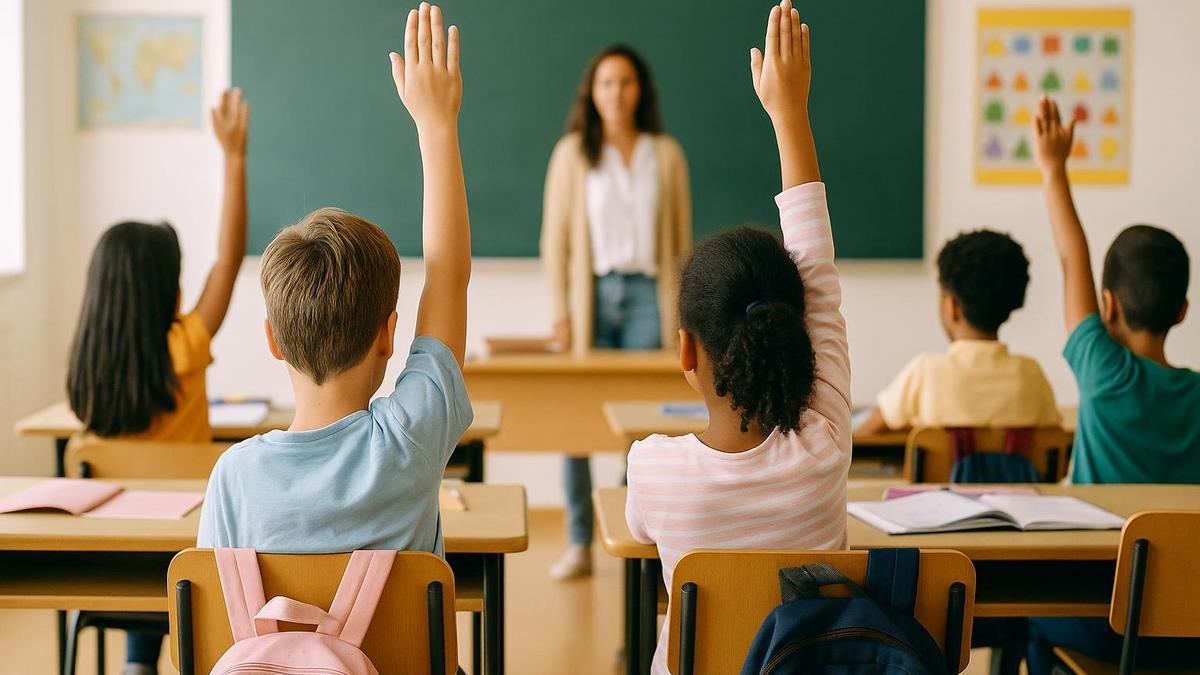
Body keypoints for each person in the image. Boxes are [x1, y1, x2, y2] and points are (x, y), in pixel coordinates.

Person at [198, 3, 473, 561]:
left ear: (272, 339)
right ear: (388, 334)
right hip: (398, 656)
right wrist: (436, 124)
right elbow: (449, 276)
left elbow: (213, 631)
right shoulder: (410, 441)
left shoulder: (235, 476)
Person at [625, 2, 852, 671]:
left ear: (686, 351)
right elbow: (818, 273)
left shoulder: (655, 470)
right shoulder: (825, 447)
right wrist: (791, 114)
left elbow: (637, 532)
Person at [66, 89, 248, 675]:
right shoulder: (183, 350)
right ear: (168, 294)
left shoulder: (88, 365)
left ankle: (136, 662)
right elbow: (229, 259)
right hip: (186, 567)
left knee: (134, 529)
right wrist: (234, 158)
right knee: (178, 542)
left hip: (105, 569)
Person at [1024, 94, 1200, 675]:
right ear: (1182, 312)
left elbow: (1074, 258)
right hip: (1190, 631)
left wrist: (1054, 169)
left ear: (1107, 305)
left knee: (1029, 614)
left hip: (1107, 623)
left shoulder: (1106, 373)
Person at [540, 44, 693, 579]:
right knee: (575, 421)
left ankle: (634, 533)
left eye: (626, 82)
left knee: (645, 421)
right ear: (592, 92)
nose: (616, 93)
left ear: (640, 91)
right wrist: (559, 310)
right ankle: (580, 539)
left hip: (652, 297)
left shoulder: (666, 154)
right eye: (606, 83)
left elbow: (680, 243)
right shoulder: (573, 154)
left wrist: (684, 312)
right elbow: (554, 241)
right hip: (593, 299)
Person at [856, 229, 1059, 433]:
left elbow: (863, 434)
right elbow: (1053, 437)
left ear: (952, 305)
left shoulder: (925, 373)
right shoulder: (1032, 376)